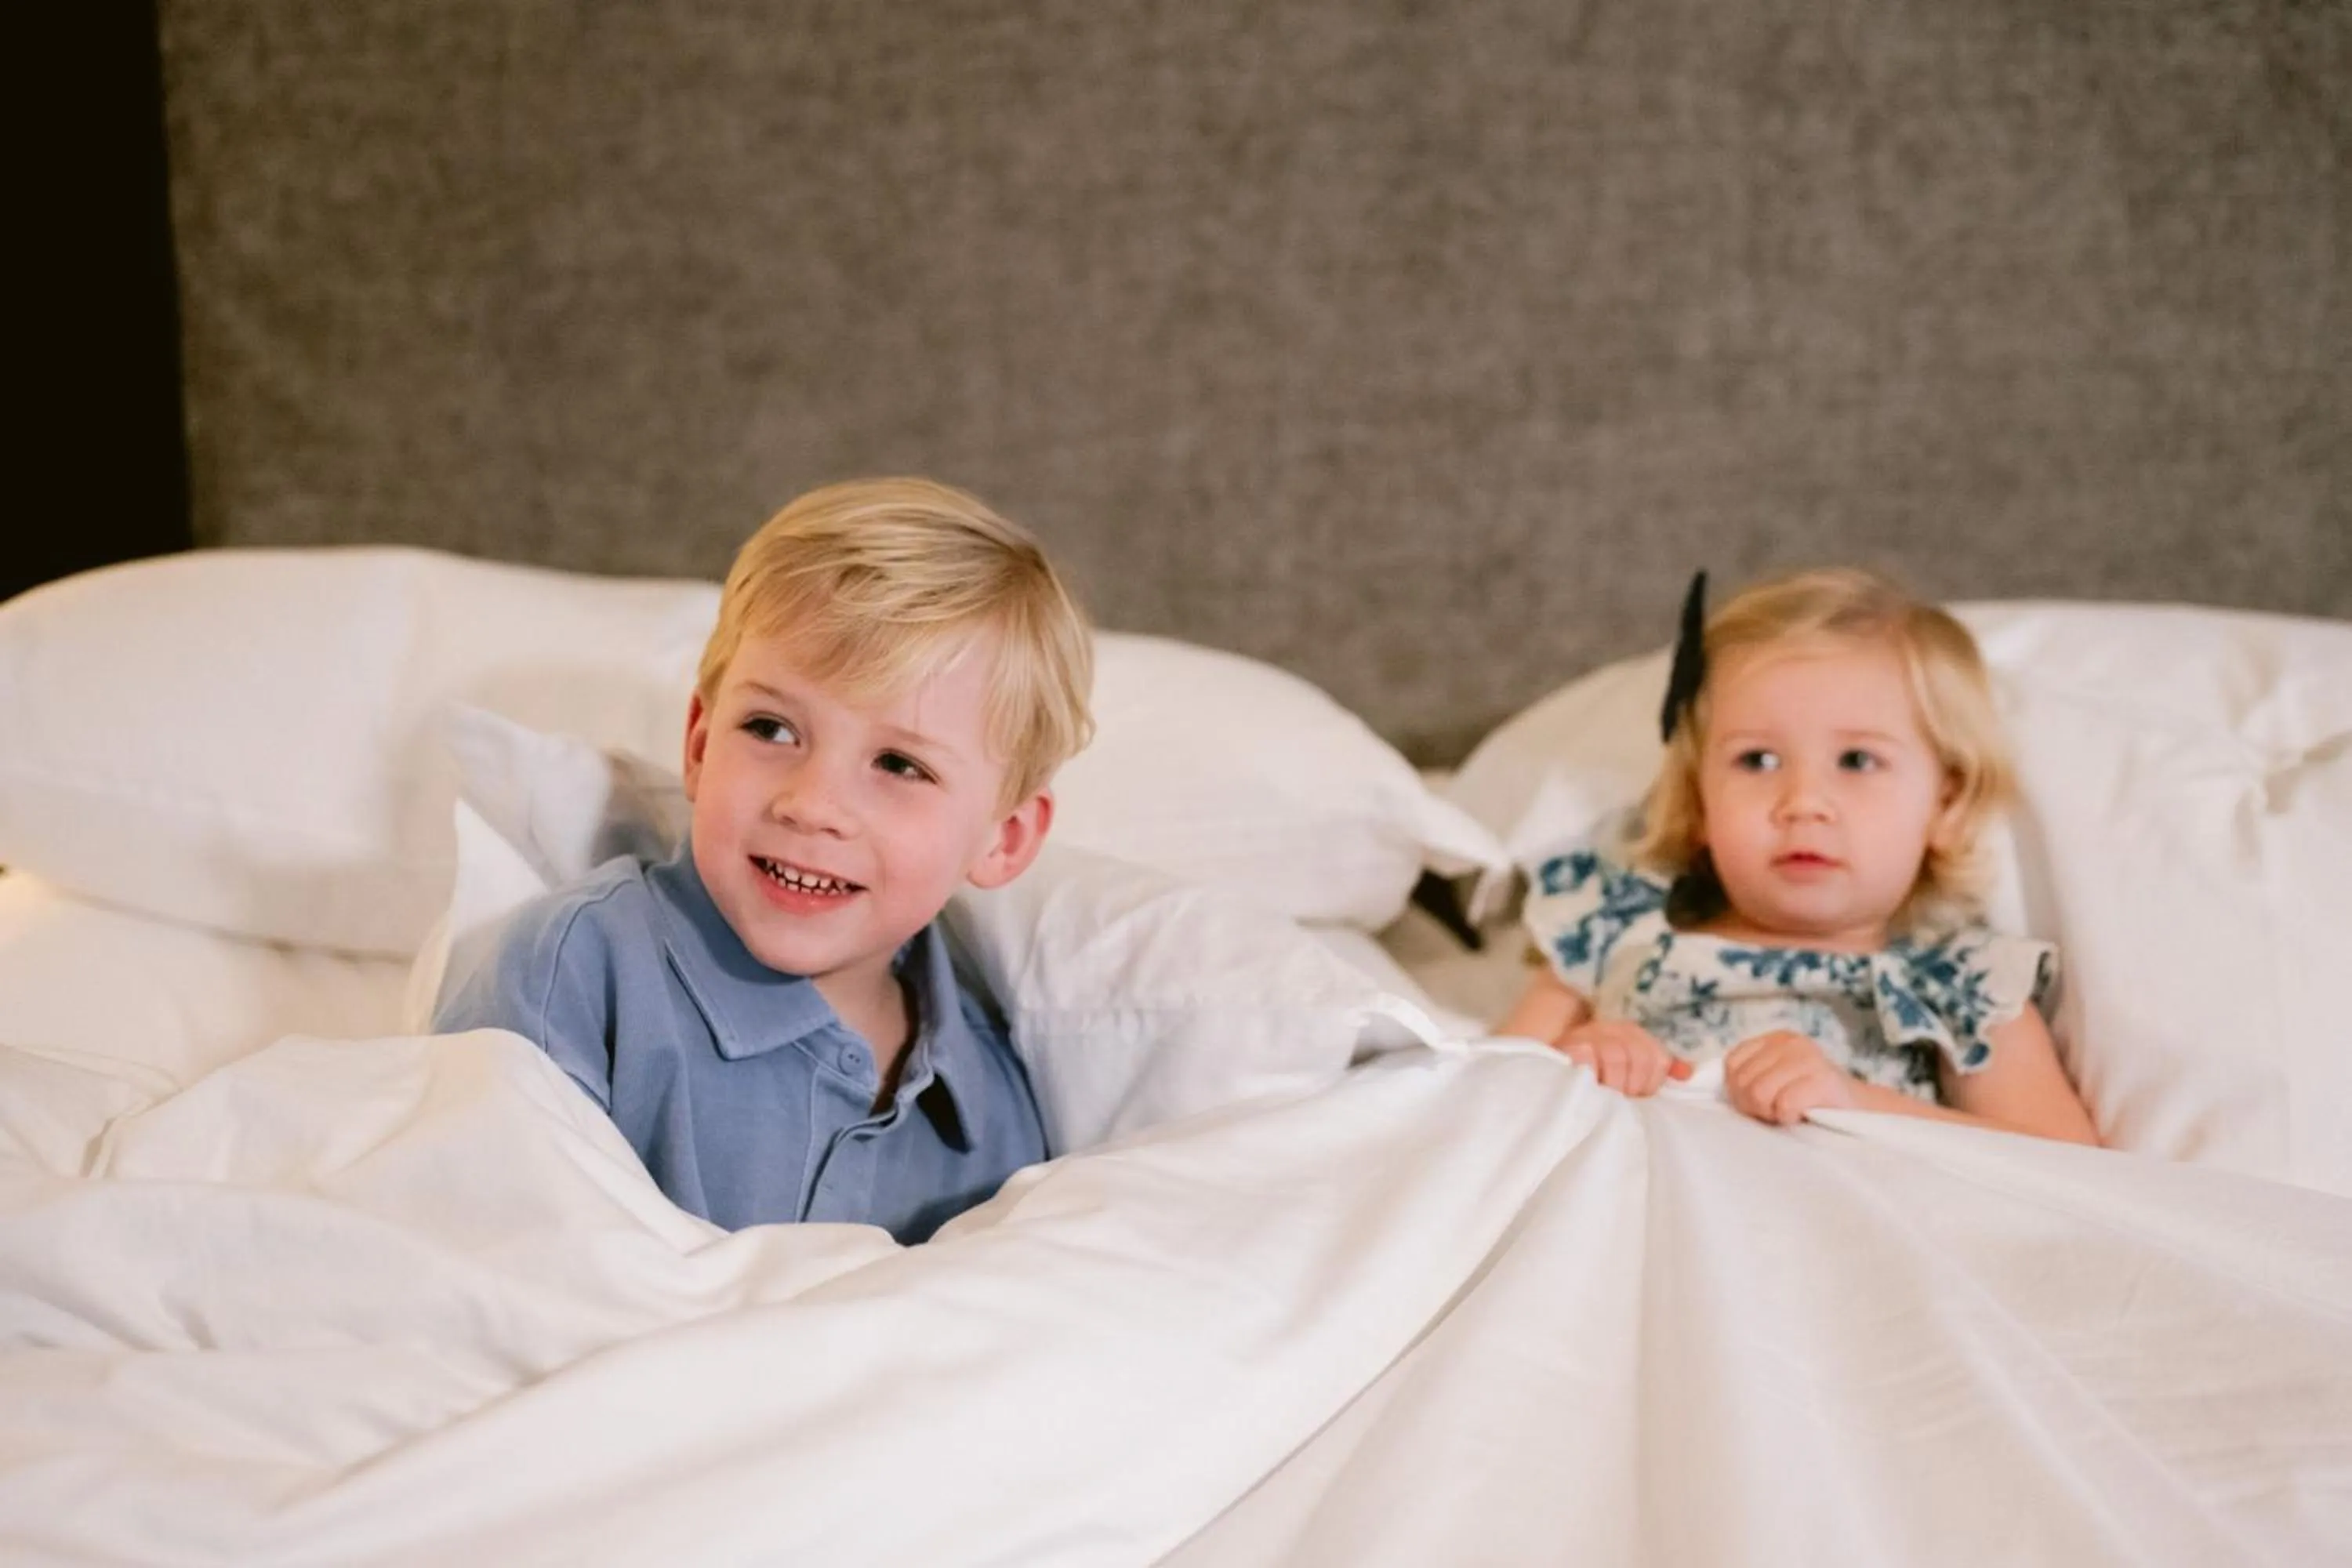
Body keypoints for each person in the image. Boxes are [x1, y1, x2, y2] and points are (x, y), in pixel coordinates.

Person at [435, 477, 1095, 1240]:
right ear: (699, 743)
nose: (811, 803)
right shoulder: (579, 970)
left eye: (900, 765)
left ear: (1004, 837)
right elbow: (478, 1257)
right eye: (772, 728)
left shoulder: (994, 1106)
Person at [1494, 568, 2099, 1145]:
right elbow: (1484, 1092)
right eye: (1757, 760)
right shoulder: (1612, 931)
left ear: (1945, 803)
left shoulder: (1958, 981)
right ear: (1700, 804)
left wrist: (1857, 1103)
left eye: (1858, 761)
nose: (1804, 803)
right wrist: (1577, 1068)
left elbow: (2063, 1164)